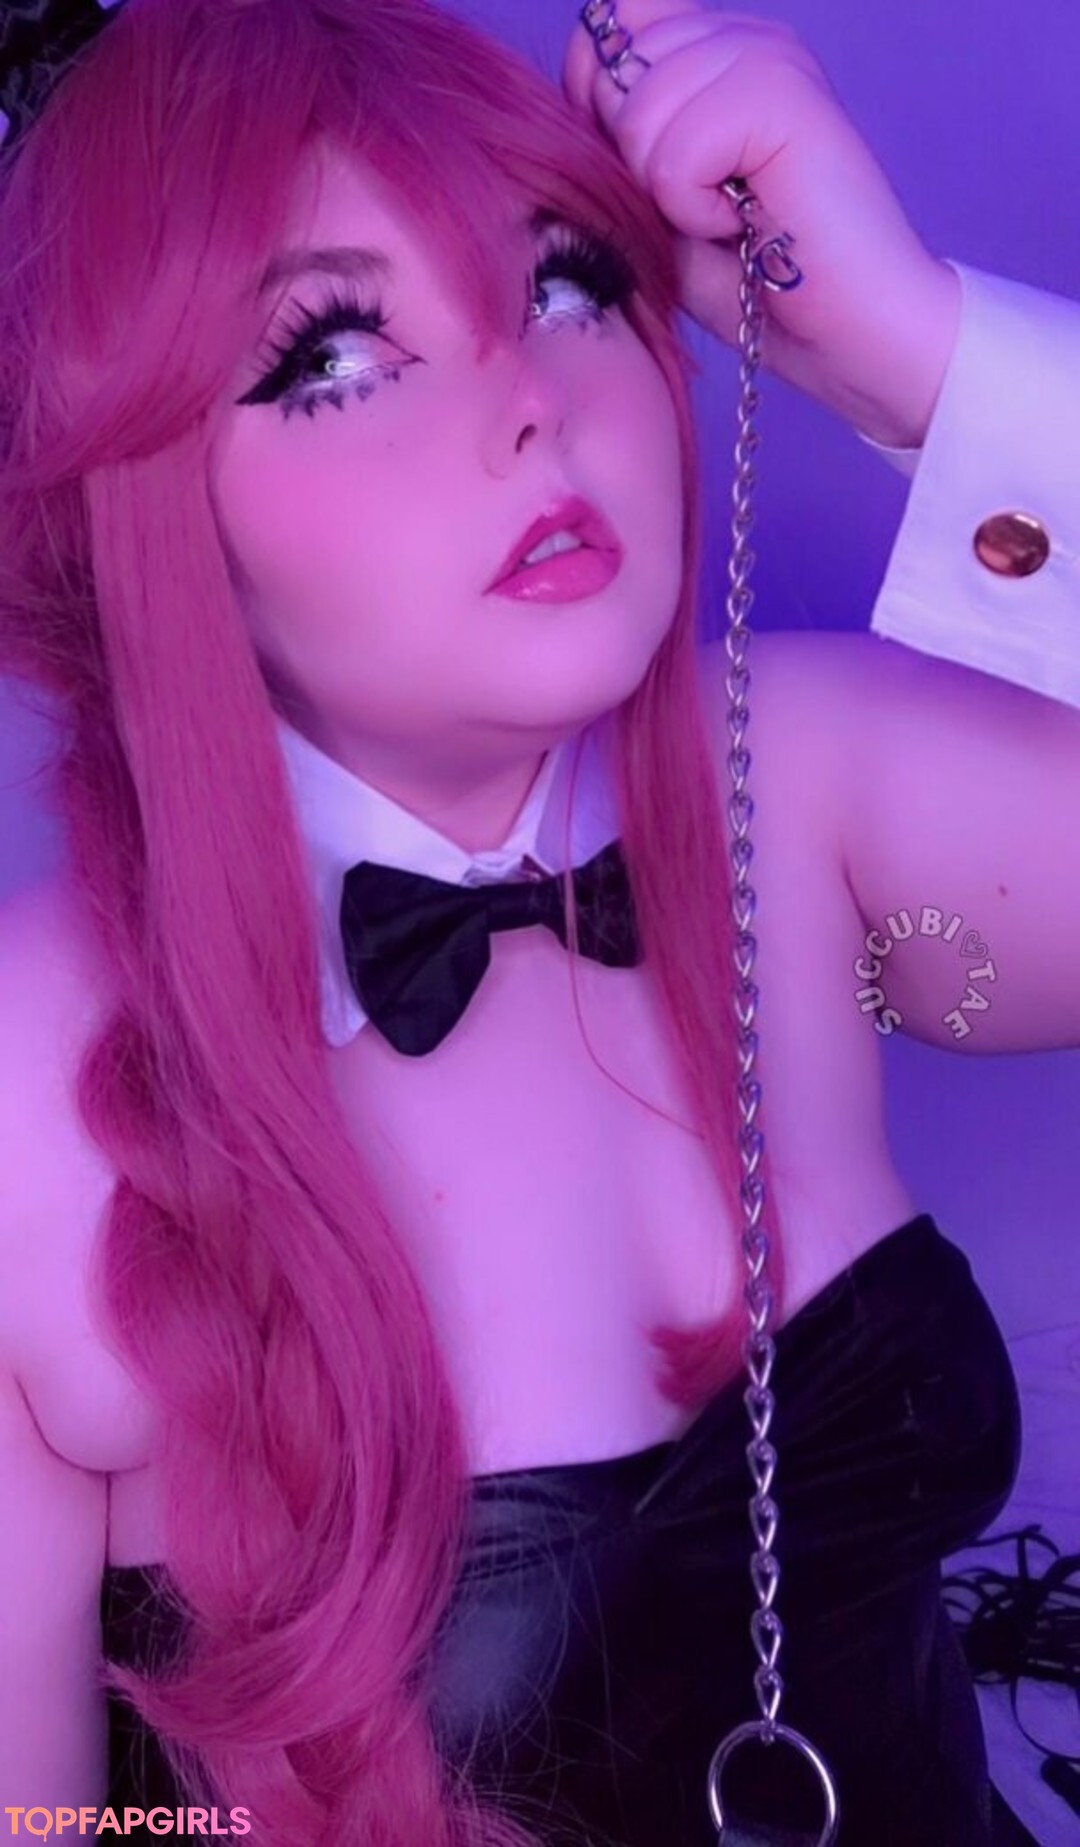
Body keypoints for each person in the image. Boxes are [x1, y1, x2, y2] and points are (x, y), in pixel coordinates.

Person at [0, 0, 1076, 1842]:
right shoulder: (32, 1090)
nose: (530, 395)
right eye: (334, 353)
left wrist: (912, 354)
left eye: (568, 282)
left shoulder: (799, 784)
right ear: (138, 506)